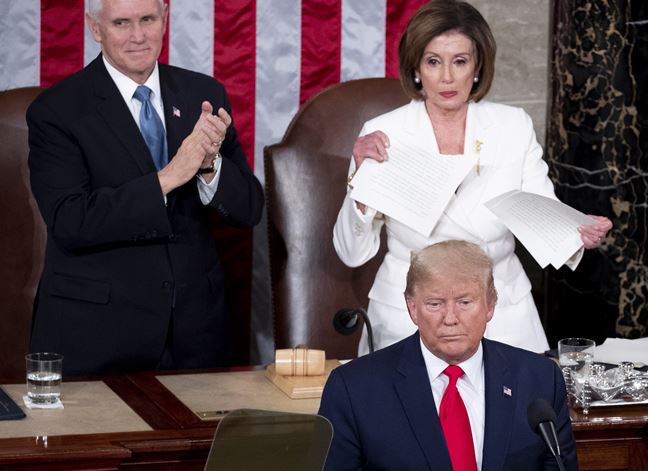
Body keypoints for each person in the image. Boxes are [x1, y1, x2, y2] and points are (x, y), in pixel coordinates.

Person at [333, 0, 612, 355]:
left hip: (502, 310)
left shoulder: (512, 126)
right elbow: (351, 252)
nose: (447, 77)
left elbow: (543, 213)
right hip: (410, 311)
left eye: (460, 61)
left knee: (524, 406)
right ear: (416, 69)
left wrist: (576, 232)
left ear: (477, 68)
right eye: (434, 62)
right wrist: (362, 186)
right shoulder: (383, 133)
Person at [26, 0, 264, 376]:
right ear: (95, 28)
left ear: (165, 18)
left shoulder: (203, 94)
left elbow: (249, 209)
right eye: (121, 22)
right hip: (99, 335)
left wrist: (207, 165)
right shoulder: (57, 110)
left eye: (147, 19)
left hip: (195, 335)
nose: (138, 36)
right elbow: (70, 220)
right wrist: (169, 177)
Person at [319, 240, 578, 471]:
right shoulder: (353, 389)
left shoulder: (540, 379)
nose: (451, 319)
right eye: (435, 304)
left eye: (465, 302)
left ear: (490, 305)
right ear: (412, 308)